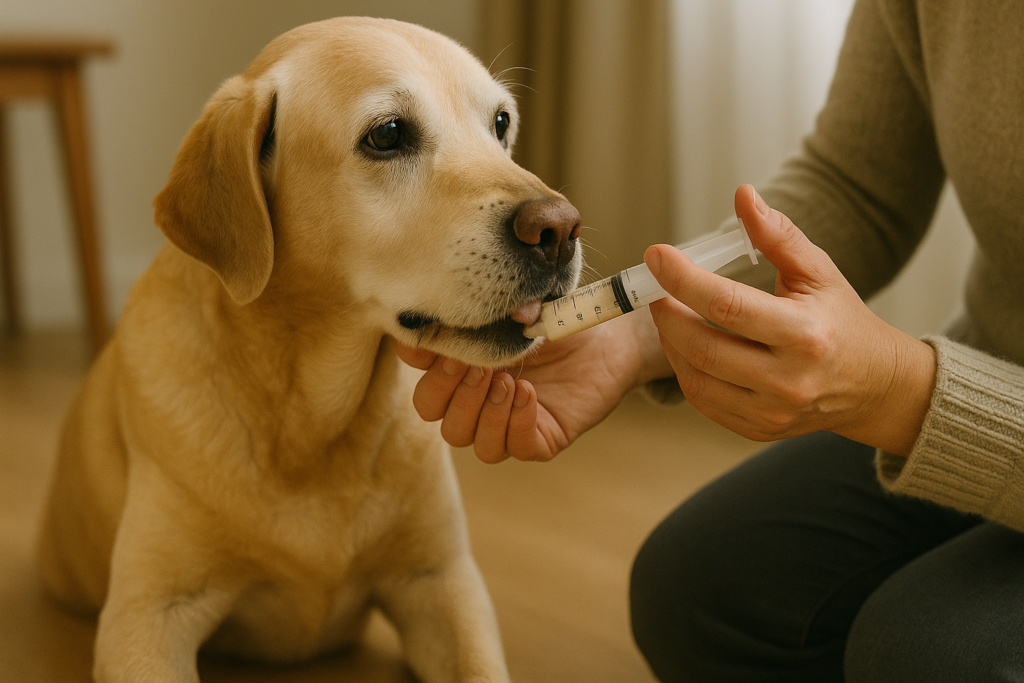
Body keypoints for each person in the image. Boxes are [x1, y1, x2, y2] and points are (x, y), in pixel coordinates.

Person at [397, 0, 1024, 680]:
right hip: (991, 359)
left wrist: (899, 392)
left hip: (956, 400)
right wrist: (637, 334)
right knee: (694, 595)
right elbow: (860, 183)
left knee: (927, 655)